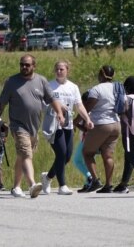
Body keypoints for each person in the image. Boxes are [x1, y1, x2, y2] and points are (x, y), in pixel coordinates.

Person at [0, 54, 63, 199]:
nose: (24, 67)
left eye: (27, 65)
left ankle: (16, 187)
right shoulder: (11, 82)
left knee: (21, 156)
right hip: (18, 126)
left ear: (34, 66)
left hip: (33, 127)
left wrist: (59, 113)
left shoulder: (41, 81)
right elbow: (1, 103)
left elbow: (52, 99)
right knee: (26, 154)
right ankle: (32, 184)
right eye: (22, 64)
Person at [41, 60, 93, 195]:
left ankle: (47, 178)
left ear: (67, 71)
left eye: (61, 69)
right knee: (61, 153)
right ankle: (62, 186)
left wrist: (87, 119)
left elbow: (79, 105)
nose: (59, 72)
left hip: (67, 124)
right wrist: (57, 105)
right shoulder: (49, 86)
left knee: (67, 156)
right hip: (54, 124)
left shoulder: (73, 87)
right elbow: (43, 103)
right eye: (57, 69)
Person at [81, 65, 122, 193]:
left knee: (87, 153)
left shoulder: (96, 89)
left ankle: (95, 180)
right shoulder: (118, 88)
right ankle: (108, 185)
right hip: (116, 124)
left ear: (101, 75)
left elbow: (87, 108)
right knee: (108, 155)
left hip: (101, 125)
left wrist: (77, 120)